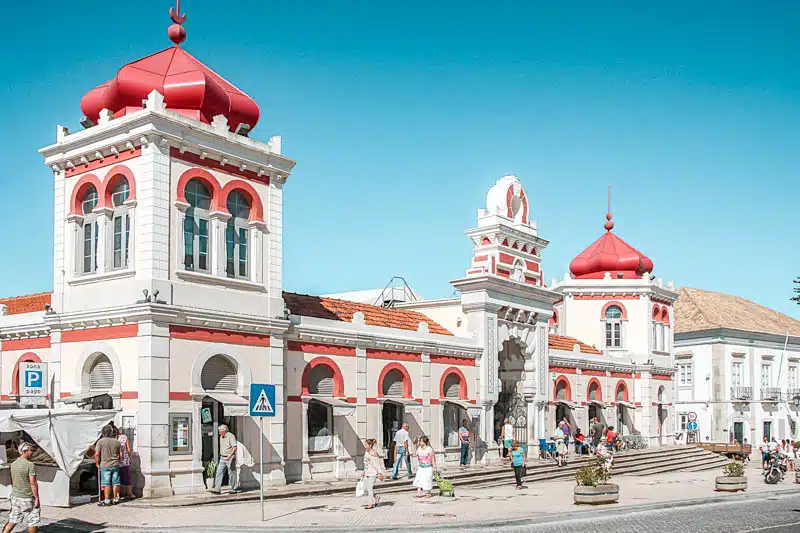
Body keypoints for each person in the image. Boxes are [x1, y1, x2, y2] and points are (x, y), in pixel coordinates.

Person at [3, 442, 40, 533]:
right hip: (26, 497)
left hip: (15, 496)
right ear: (25, 451)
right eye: (31, 450)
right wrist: (36, 498)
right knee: (33, 521)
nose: (32, 453)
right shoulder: (29, 465)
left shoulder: (13, 464)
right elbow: (33, 483)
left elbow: (12, 480)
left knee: (13, 519)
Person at [95, 425, 122, 506]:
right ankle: (115, 498)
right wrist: (118, 461)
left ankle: (107, 500)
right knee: (116, 482)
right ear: (111, 432)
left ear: (103, 433)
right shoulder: (117, 442)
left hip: (105, 464)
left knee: (106, 483)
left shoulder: (100, 442)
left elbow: (96, 454)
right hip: (115, 464)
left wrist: (97, 463)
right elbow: (121, 454)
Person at [212, 424, 238, 493]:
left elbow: (234, 447)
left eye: (220, 431)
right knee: (219, 472)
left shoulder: (231, 436)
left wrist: (230, 456)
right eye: (219, 431)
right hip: (222, 458)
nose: (219, 432)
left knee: (231, 473)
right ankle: (217, 488)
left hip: (230, 457)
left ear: (225, 430)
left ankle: (234, 488)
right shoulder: (221, 436)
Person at [361, 439, 384, 509]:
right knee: (365, 488)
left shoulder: (374, 453)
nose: (365, 446)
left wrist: (380, 473)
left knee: (370, 488)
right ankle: (376, 497)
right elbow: (365, 463)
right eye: (365, 445)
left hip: (373, 473)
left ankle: (370, 504)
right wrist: (363, 471)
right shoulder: (366, 452)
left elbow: (377, 465)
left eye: (366, 445)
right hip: (367, 472)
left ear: (370, 445)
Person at [115, 426, 134, 500]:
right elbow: (128, 449)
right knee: (127, 477)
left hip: (115, 461)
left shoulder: (112, 439)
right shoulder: (124, 437)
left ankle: (117, 494)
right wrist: (130, 457)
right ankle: (129, 493)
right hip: (124, 461)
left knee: (116, 478)